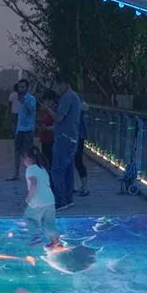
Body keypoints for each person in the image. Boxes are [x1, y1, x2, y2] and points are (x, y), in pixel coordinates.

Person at [42, 73, 82, 210]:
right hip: (70, 137)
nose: (56, 89)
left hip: (64, 138)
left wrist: (48, 109)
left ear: (63, 84)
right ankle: (68, 199)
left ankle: (61, 200)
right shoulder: (74, 97)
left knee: (57, 170)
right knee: (67, 170)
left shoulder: (67, 97)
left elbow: (59, 118)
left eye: (57, 86)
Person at [23, 146, 62, 249]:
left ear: (27, 158)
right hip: (50, 200)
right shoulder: (42, 168)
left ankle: (35, 237)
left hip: (38, 201)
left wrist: (29, 196)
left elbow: (34, 183)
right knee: (49, 223)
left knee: (29, 218)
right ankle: (56, 242)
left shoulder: (30, 169)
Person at [8, 79, 37, 181]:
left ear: (27, 88)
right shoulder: (17, 98)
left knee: (28, 152)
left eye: (23, 87)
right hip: (19, 129)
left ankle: (32, 172)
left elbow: (31, 111)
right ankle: (16, 173)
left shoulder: (31, 99)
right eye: (20, 87)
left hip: (28, 129)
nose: (21, 89)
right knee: (17, 151)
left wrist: (24, 102)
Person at [74, 102, 90, 198]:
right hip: (76, 135)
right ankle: (82, 186)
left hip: (78, 136)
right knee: (76, 161)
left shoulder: (76, 102)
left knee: (78, 160)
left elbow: (86, 107)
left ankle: (85, 187)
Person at [38, 91, 55, 169]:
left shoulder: (54, 111)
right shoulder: (45, 111)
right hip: (44, 139)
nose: (45, 103)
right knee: (46, 160)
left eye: (47, 100)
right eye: (44, 100)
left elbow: (57, 125)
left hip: (52, 139)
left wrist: (46, 128)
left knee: (51, 160)